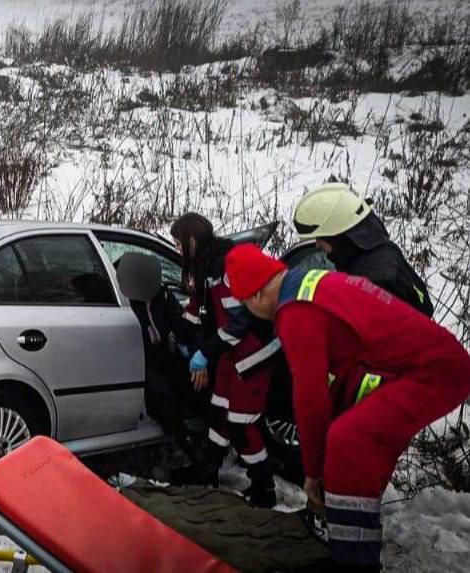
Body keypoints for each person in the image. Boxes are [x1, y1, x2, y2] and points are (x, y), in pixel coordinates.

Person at [225, 244, 470, 572]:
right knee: (358, 438)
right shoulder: (310, 282)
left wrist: (312, 472)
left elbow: (310, 398)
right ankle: (348, 530)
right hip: (424, 366)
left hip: (434, 373)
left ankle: (354, 560)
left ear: (255, 297)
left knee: (346, 441)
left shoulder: (295, 312)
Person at [170, 213, 281, 507]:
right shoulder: (205, 266)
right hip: (229, 352)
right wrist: (181, 330)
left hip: (253, 352)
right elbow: (199, 305)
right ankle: (209, 471)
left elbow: (240, 321)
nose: (179, 251)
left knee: (241, 425)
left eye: (179, 245)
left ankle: (263, 488)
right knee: (219, 412)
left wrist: (204, 353)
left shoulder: (228, 266)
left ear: (192, 241)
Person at [116, 252, 214, 485]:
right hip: (140, 363)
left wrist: (200, 355)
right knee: (163, 399)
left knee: (197, 388)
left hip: (162, 359)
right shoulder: (127, 302)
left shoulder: (162, 297)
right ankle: (192, 454)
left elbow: (183, 326)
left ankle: (207, 456)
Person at [293, 182, 434, 317]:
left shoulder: (369, 284)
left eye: (320, 238)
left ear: (337, 238)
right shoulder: (381, 248)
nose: (317, 244)